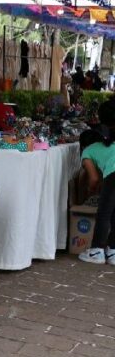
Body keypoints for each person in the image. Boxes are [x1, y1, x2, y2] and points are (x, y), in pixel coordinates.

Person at [78, 101, 115, 265]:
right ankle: (113, 252)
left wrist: (90, 190)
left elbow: (93, 178)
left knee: (104, 213)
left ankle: (96, 251)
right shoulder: (111, 144)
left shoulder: (89, 150)